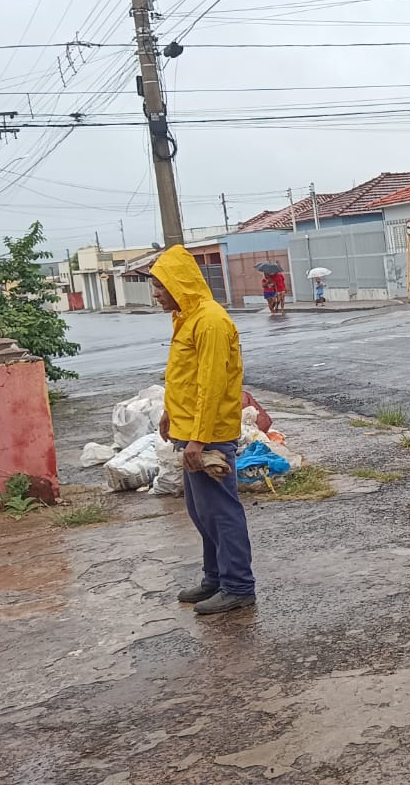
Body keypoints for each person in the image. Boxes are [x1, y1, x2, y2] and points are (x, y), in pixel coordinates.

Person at [149, 246, 257, 615]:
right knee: (201, 511)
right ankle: (215, 578)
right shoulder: (187, 317)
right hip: (189, 428)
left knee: (221, 512)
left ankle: (238, 586)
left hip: (208, 434)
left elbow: (211, 385)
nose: (156, 293)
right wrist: (169, 413)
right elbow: (187, 378)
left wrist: (198, 439)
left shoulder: (209, 321)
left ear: (179, 285)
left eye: (161, 286)